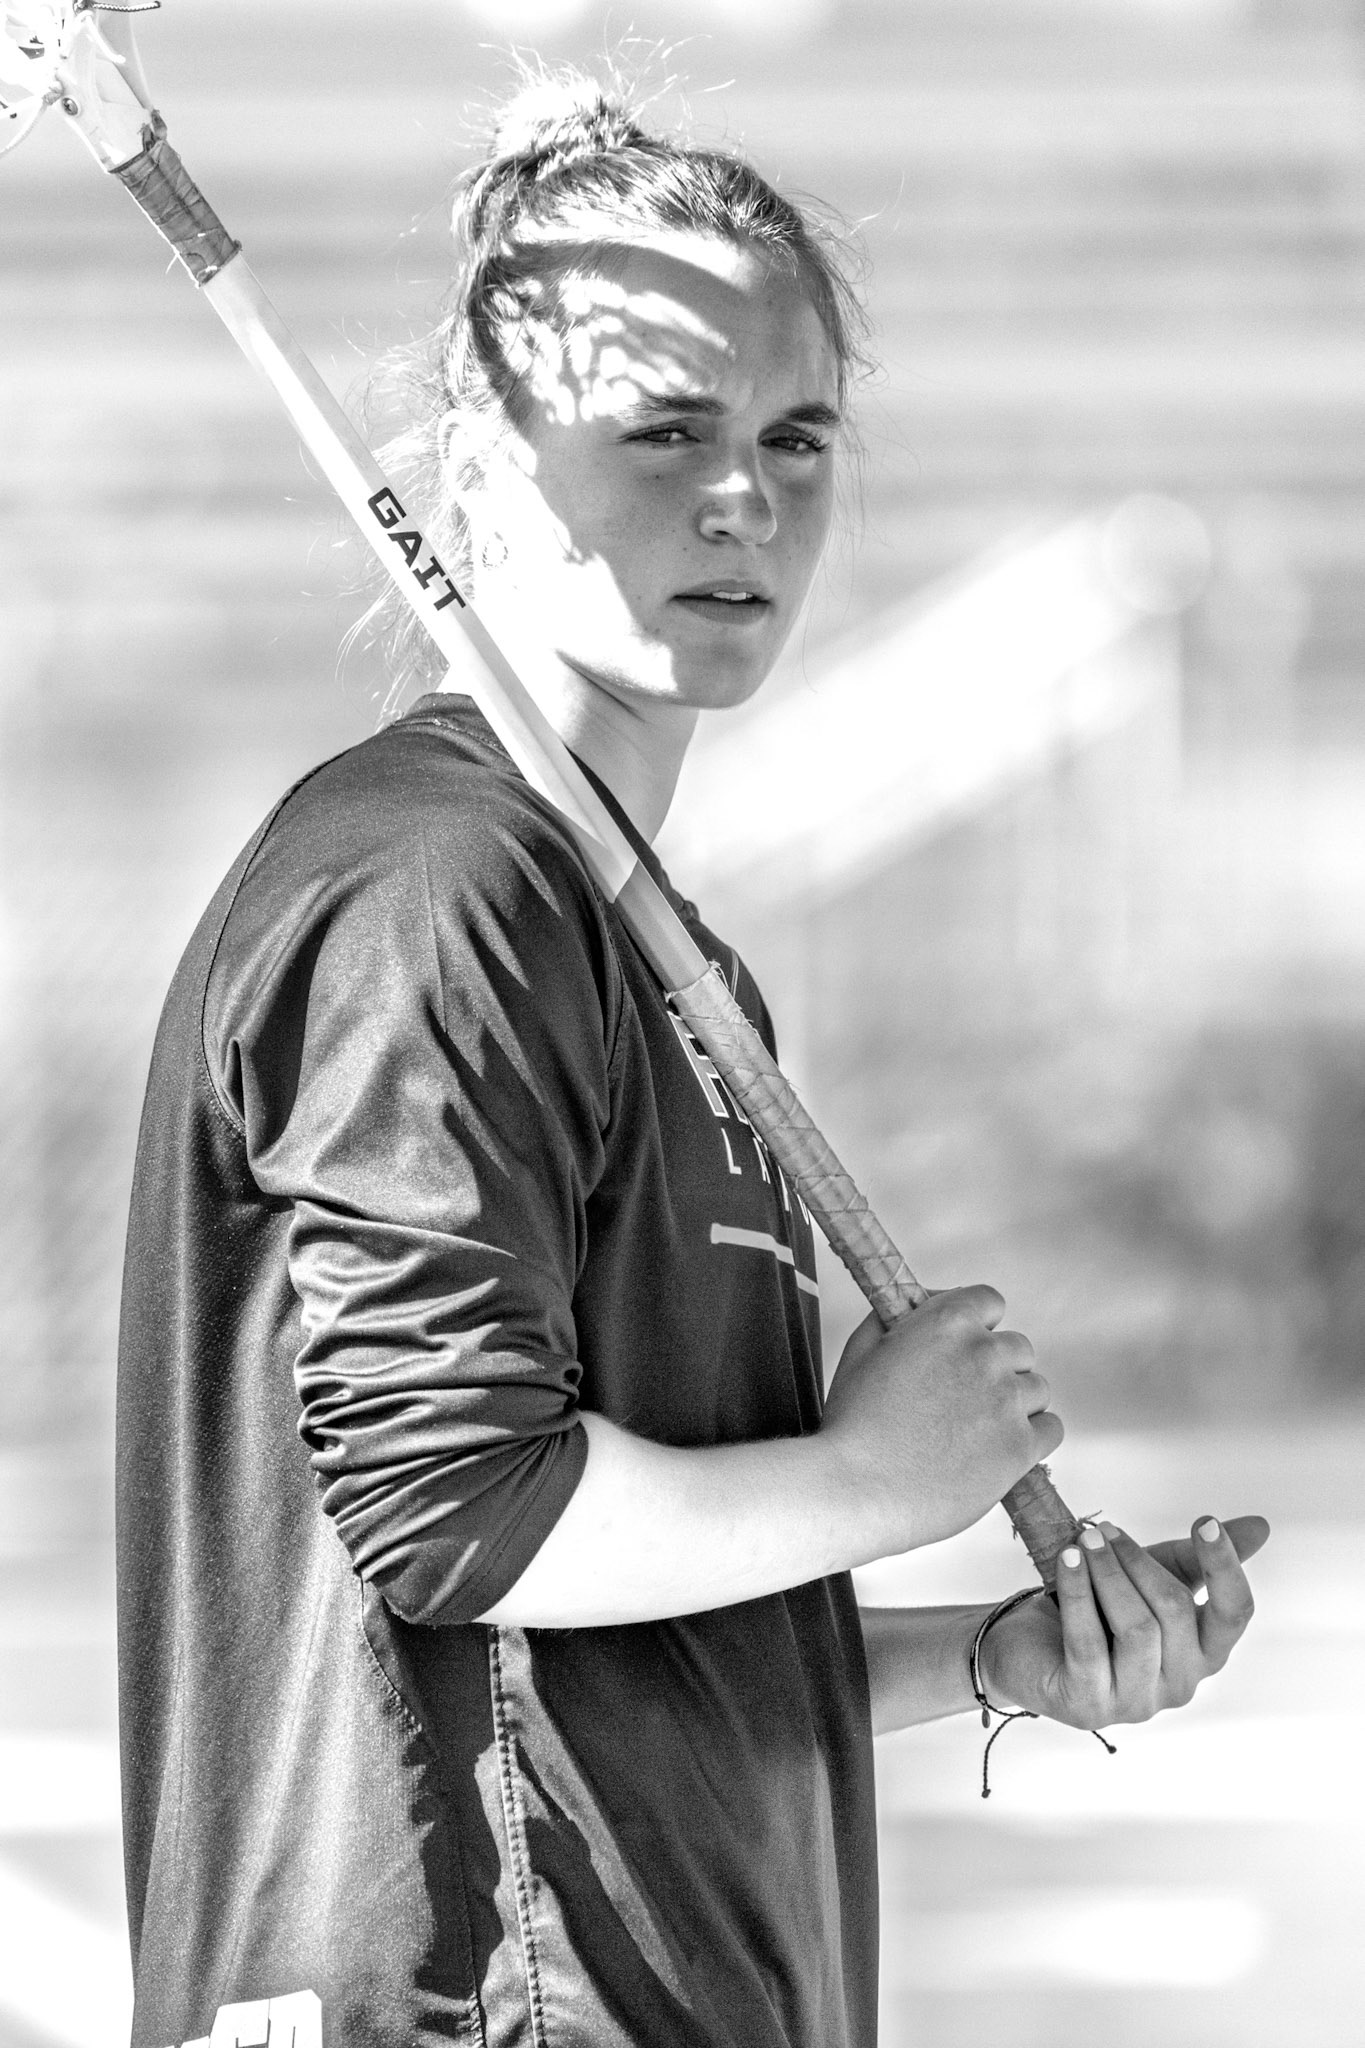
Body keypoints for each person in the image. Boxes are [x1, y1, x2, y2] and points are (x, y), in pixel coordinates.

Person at [116, 66, 1268, 2048]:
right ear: (483, 470)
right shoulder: (434, 884)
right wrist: (872, 1478)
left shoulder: (654, 942)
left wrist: (984, 1655)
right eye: (663, 431)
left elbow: (621, 1656)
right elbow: (456, 1513)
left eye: (792, 436)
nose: (744, 499)